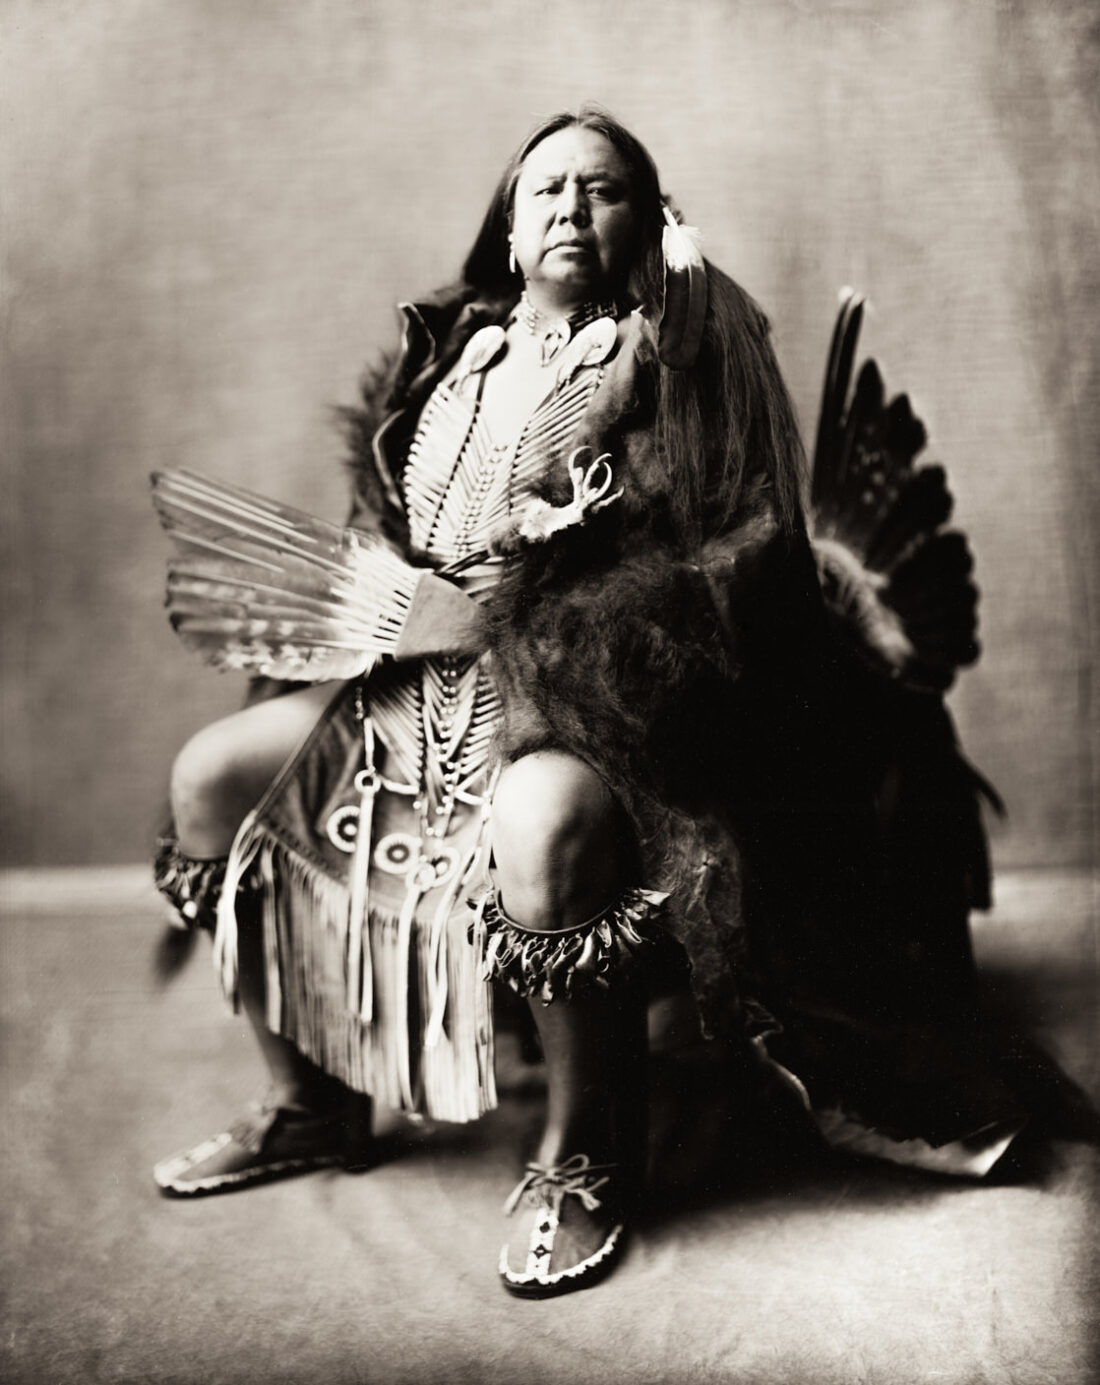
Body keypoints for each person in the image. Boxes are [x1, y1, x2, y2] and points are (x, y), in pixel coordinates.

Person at [150, 108, 1052, 1300]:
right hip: (424, 690)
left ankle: (587, 1149)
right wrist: (393, 609)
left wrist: (521, 629)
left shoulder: (687, 364)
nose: (571, 207)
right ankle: (311, 1102)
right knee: (212, 776)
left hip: (601, 710)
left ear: (649, 219)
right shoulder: (450, 356)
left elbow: (733, 577)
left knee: (541, 824)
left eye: (603, 187)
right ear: (508, 227)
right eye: (546, 189)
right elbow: (399, 539)